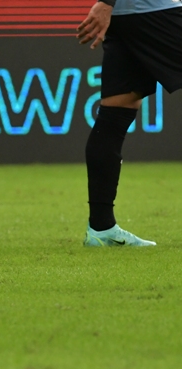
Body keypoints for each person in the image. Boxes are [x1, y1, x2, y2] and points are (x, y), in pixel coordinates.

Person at [77, 0, 182, 246]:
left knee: (116, 110)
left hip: (126, 17)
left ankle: (101, 228)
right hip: (154, 9)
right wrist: (106, 2)